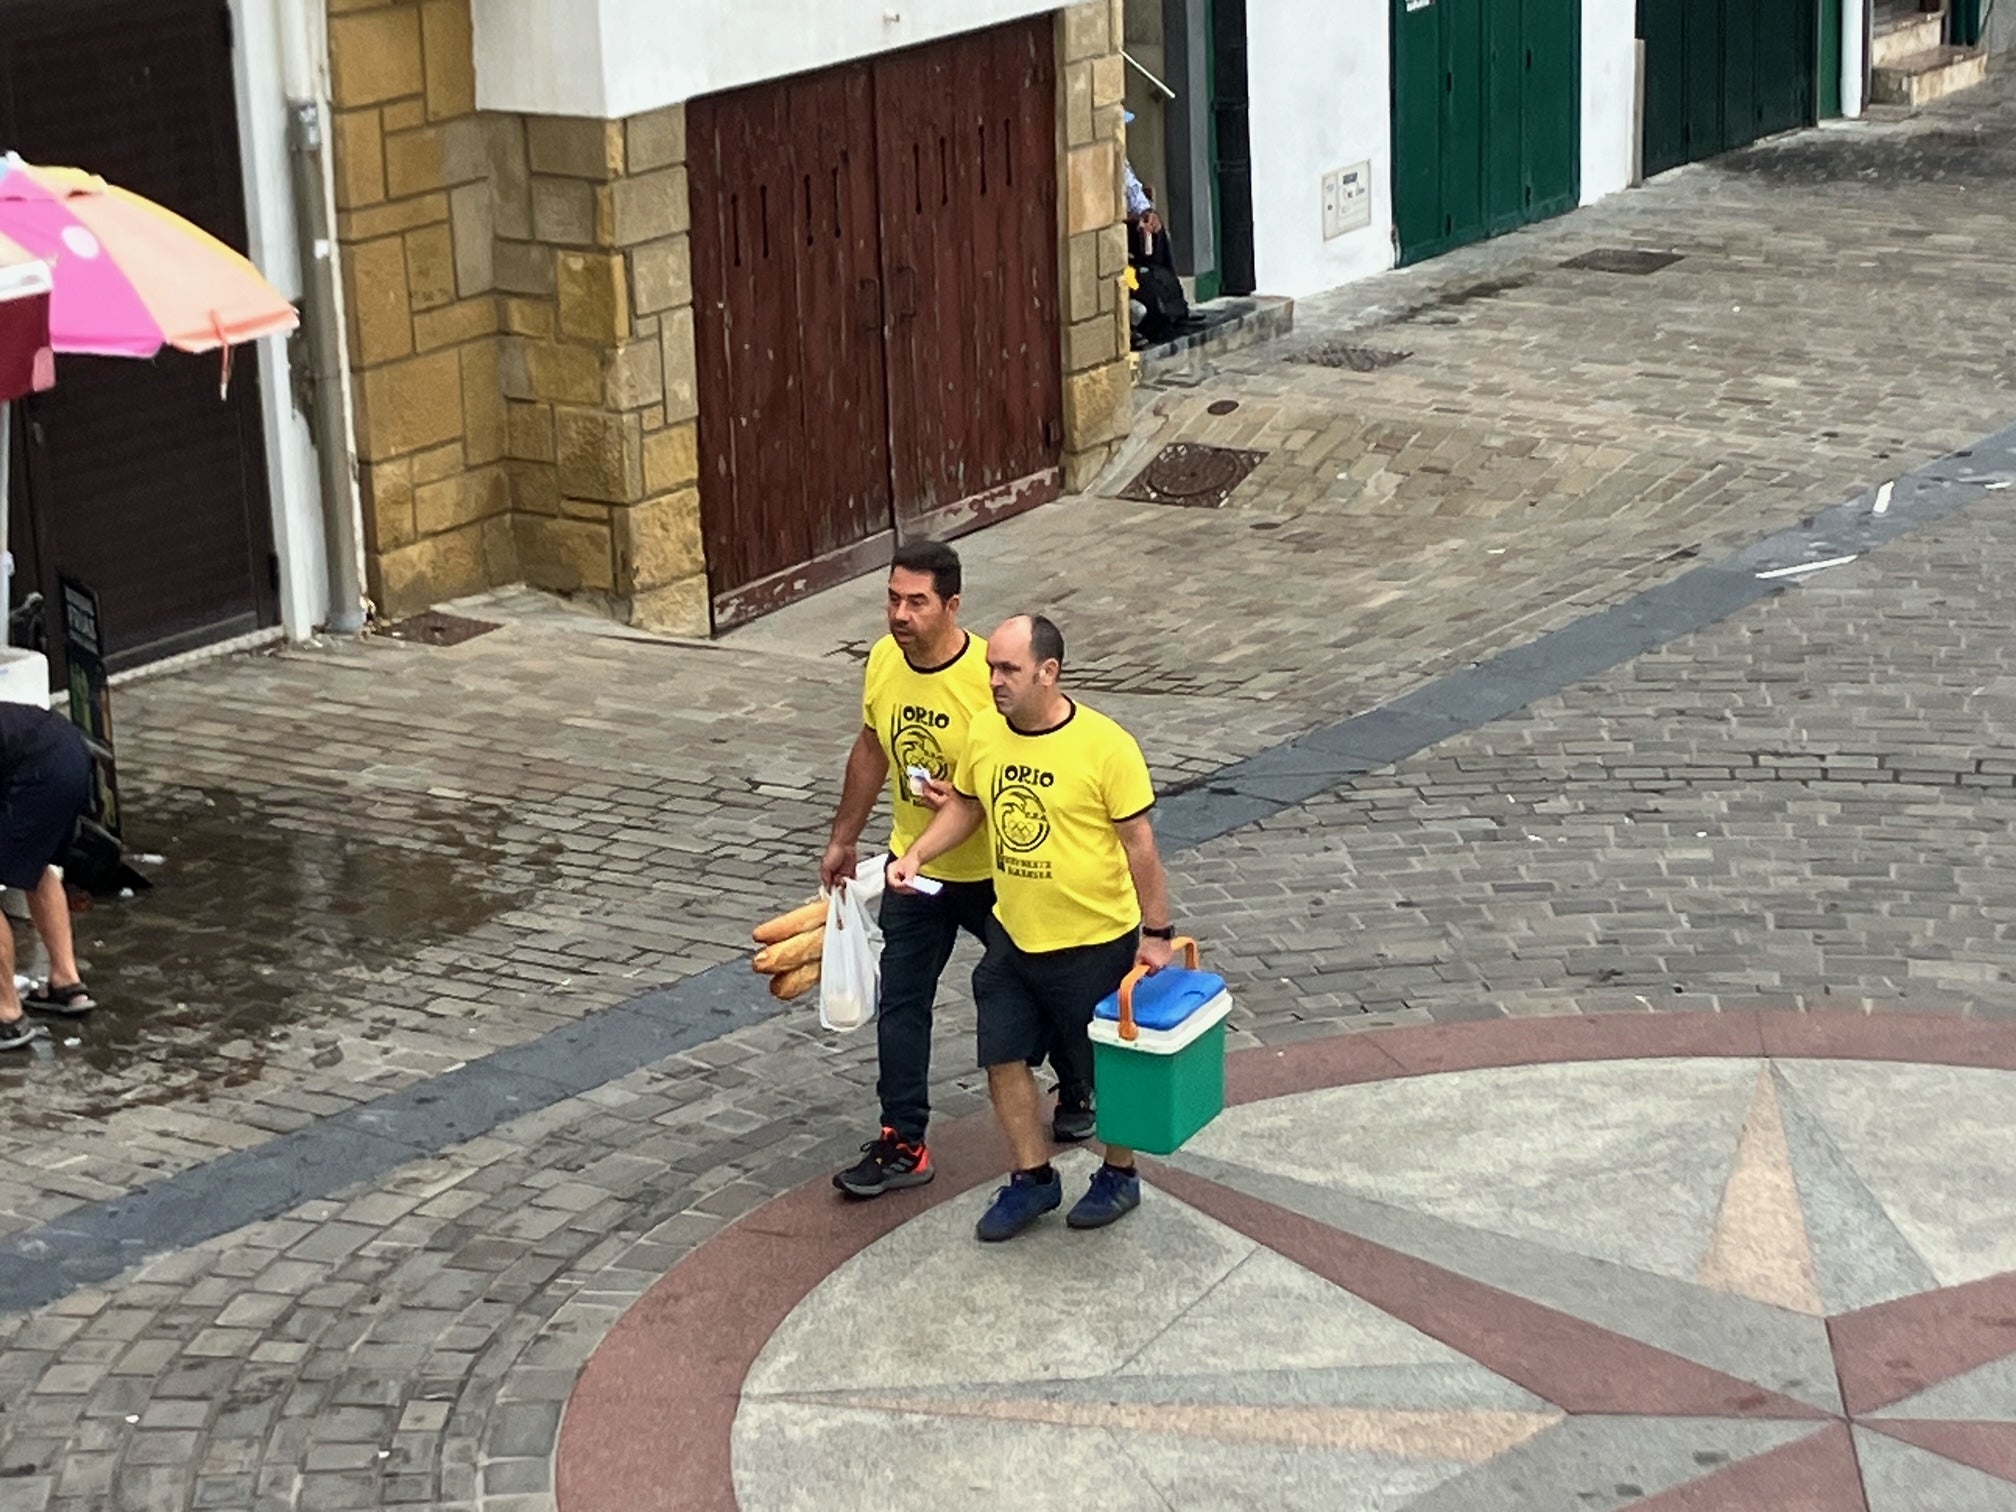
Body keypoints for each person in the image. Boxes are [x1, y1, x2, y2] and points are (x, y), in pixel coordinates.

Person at [890, 614, 1177, 1241]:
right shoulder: (987, 734)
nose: (993, 680)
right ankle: (1032, 1178)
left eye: (1008, 670)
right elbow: (968, 804)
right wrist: (916, 854)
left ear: (1049, 673)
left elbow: (1140, 844)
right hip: (1013, 935)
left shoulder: (1106, 746)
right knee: (1002, 1057)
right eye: (992, 666)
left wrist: (1157, 933)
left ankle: (1119, 1174)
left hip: (1092, 940)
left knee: (1105, 1070)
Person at [824, 546, 1094, 1200]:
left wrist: (977, 799)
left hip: (996, 873)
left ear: (952, 606)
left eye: (916, 602)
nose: (899, 614)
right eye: (892, 598)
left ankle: (1078, 1082)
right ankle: (903, 1140)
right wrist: (844, 839)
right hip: (915, 867)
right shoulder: (885, 661)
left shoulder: (990, 675)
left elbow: (1039, 756)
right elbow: (872, 748)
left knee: (1043, 985)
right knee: (903, 1003)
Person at [0, 702, 95, 1051]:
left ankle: (6, 1014)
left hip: (38, 770)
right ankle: (65, 983)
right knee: (35, 866)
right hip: (68, 749)